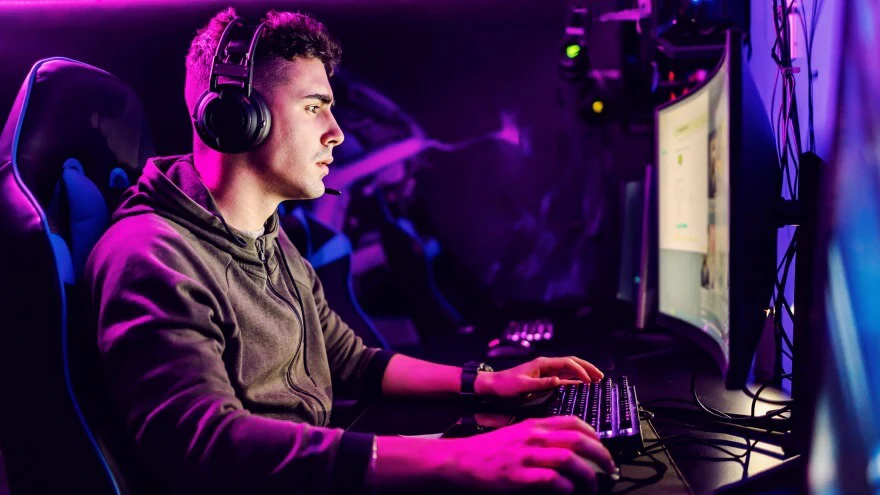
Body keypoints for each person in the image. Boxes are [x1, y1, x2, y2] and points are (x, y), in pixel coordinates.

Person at [85, 8, 614, 494]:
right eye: (314, 108)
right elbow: (208, 446)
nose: (336, 133)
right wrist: (464, 458)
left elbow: (350, 360)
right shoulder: (152, 257)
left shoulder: (268, 235)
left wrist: (488, 384)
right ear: (236, 115)